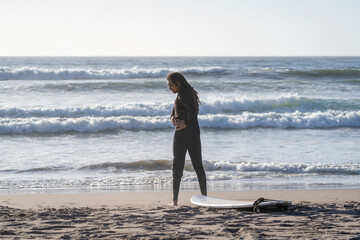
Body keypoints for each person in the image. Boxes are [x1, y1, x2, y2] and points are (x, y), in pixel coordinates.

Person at [167, 72, 207, 205]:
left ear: (178, 83)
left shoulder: (182, 95)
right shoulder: (188, 93)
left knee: (177, 166)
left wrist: (185, 124)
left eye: (171, 85)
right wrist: (173, 118)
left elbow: (192, 112)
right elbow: (176, 111)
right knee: (198, 166)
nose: (169, 87)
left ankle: (175, 201)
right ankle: (205, 197)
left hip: (182, 135)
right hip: (194, 134)